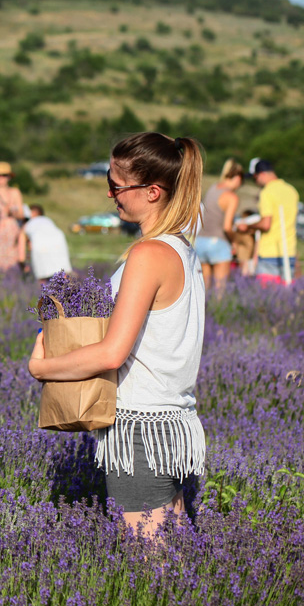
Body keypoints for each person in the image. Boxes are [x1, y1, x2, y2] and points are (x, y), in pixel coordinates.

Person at [29, 132, 206, 536]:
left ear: (152, 192)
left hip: (140, 432)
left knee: (148, 561)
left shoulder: (148, 254)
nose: (110, 195)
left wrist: (42, 368)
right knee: (176, 556)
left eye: (116, 185)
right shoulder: (181, 248)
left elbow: (112, 353)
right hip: (173, 424)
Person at [239, 158, 299, 286]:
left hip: (269, 252)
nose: (256, 182)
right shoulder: (292, 190)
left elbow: (266, 224)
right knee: (285, 294)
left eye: (255, 178)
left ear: (262, 174)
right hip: (289, 250)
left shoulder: (266, 192)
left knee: (266, 295)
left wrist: (248, 226)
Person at [194, 159, 242, 293]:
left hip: (200, 241)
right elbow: (227, 227)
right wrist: (235, 242)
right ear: (238, 178)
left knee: (203, 290)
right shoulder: (231, 197)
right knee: (219, 291)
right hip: (218, 242)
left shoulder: (213, 188)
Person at [17, 204, 72, 284]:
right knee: (64, 275)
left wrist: (24, 267)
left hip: (40, 245)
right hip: (59, 243)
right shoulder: (48, 220)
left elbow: (21, 256)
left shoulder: (26, 226)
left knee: (42, 278)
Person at [0, 161, 24, 271]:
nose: (0, 178)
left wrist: (11, 212)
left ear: (9, 177)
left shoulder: (15, 192)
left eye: (4, 175)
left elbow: (21, 214)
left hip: (12, 229)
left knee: (12, 258)